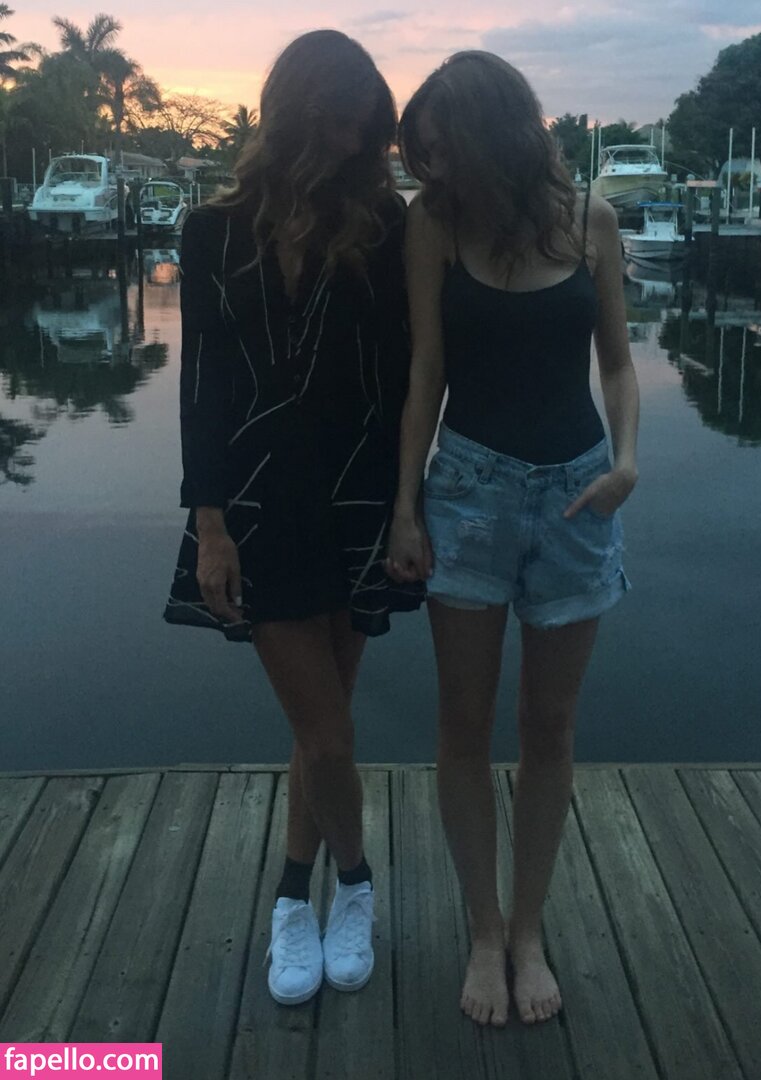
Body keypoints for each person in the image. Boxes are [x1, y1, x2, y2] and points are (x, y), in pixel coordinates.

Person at [163, 30, 422, 1007]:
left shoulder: (386, 226)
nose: (353, 141)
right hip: (257, 502)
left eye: (365, 127)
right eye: (340, 120)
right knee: (329, 733)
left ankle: (291, 892)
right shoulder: (211, 231)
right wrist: (209, 523)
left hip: (359, 496)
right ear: (295, 112)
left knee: (325, 727)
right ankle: (350, 884)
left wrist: (407, 505)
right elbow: (200, 386)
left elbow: (408, 379)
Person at [386, 52, 639, 1028]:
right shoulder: (433, 225)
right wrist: (405, 507)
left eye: (443, 149)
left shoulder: (591, 223)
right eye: (422, 155)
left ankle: (528, 927)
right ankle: (483, 928)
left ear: (493, 133)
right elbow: (425, 372)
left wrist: (628, 460)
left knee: (550, 726)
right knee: (462, 723)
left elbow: (617, 364)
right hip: (467, 492)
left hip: (579, 495)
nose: (431, 169)